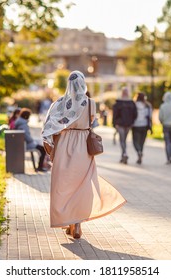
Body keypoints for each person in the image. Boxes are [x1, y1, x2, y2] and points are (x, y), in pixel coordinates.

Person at [42, 70, 126, 239]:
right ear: (83, 83)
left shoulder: (58, 104)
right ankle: (77, 225)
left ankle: (69, 221)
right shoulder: (90, 103)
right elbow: (92, 121)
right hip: (82, 147)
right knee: (82, 185)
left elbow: (49, 126)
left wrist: (50, 146)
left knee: (63, 185)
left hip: (64, 144)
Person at [112, 87, 137, 164]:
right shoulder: (132, 103)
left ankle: (124, 153)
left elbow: (115, 114)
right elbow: (135, 114)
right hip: (128, 124)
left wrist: (114, 123)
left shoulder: (118, 103)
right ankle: (123, 154)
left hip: (120, 124)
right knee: (124, 140)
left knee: (122, 140)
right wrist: (132, 122)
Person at [132, 93, 153, 164]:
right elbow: (150, 116)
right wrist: (150, 126)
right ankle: (140, 152)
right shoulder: (147, 105)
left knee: (135, 141)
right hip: (145, 125)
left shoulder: (134, 105)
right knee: (142, 142)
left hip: (136, 125)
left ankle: (138, 152)